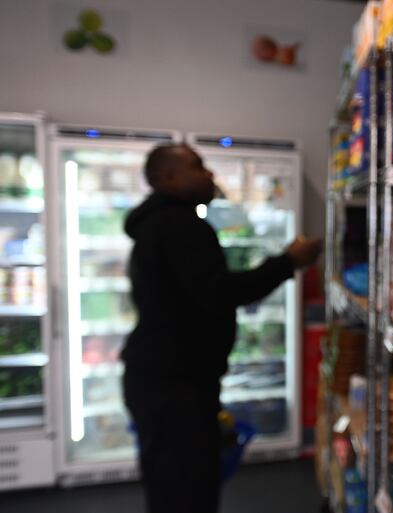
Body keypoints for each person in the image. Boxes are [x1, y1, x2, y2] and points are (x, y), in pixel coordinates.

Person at [121, 143, 321, 513]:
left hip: (164, 380)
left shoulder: (161, 223)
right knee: (187, 492)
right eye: (198, 166)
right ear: (167, 178)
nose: (209, 174)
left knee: (171, 487)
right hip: (174, 386)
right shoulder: (178, 225)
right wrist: (288, 262)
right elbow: (222, 292)